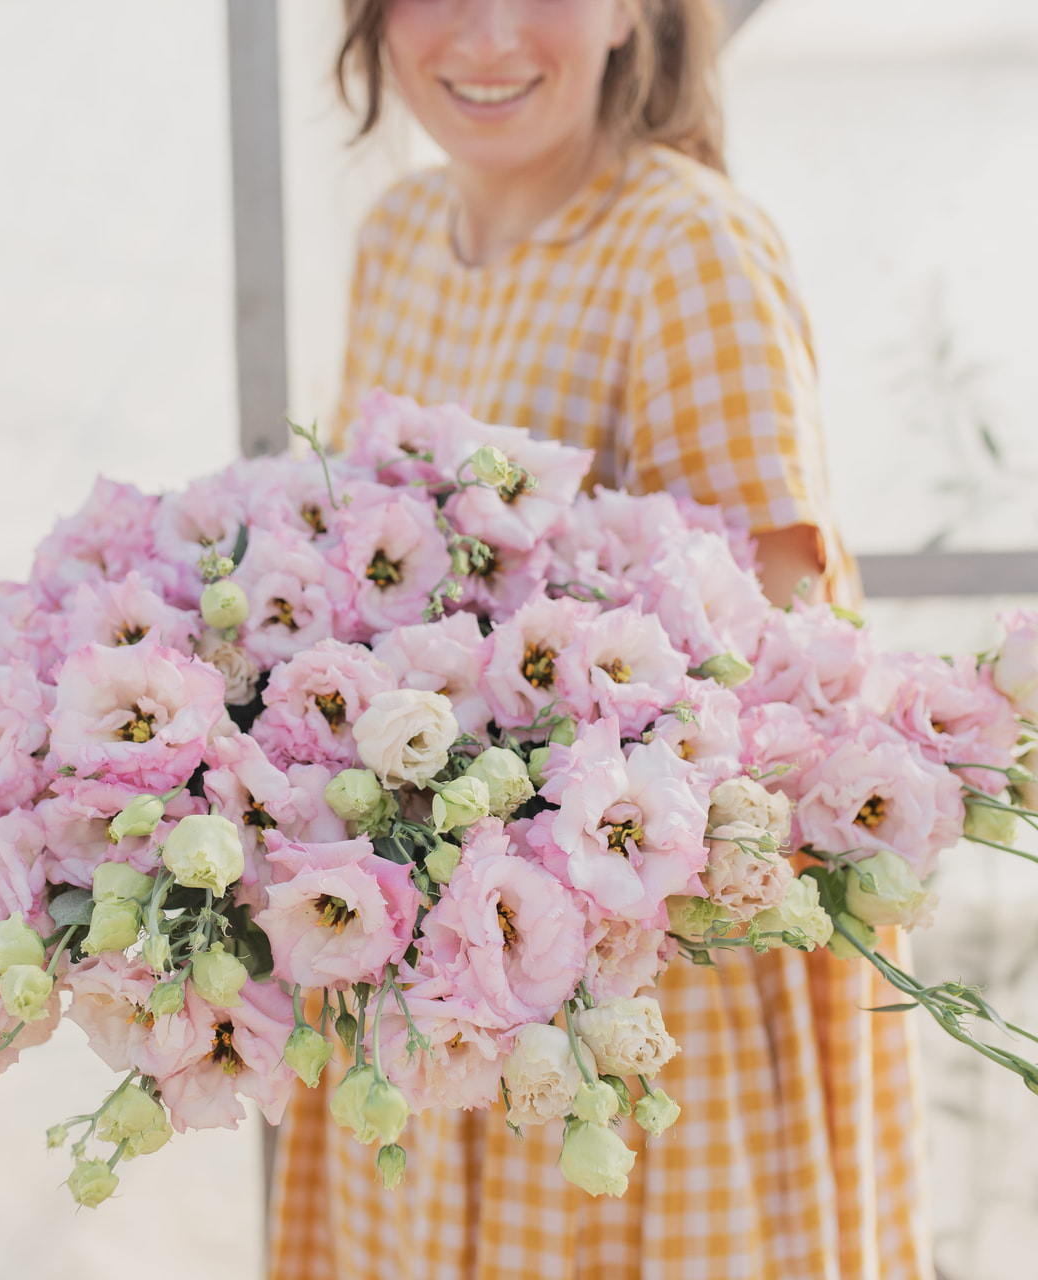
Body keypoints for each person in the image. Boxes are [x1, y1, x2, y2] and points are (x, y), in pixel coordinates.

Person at [269, 2, 932, 1277]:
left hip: (631, 1023)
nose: (486, 33)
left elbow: (788, 691)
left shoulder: (684, 249)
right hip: (424, 993)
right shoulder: (397, 238)